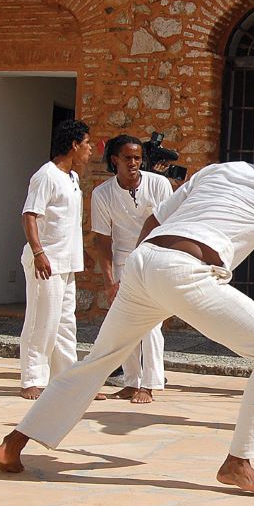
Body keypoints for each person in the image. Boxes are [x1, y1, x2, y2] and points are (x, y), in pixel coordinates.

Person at [0, 128, 254, 497]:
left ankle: (14, 443)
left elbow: (155, 220)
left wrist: (142, 269)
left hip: (145, 260)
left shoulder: (219, 170)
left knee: (97, 361)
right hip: (187, 271)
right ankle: (238, 462)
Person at [90, 135, 174, 404]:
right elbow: (102, 239)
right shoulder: (102, 193)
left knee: (150, 323)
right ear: (115, 161)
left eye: (138, 157)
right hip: (123, 261)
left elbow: (170, 223)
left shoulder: (159, 184)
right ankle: (130, 381)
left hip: (154, 257)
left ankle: (149, 384)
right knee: (123, 321)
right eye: (128, 158)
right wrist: (108, 280)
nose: (134, 163)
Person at [18, 119, 92, 400]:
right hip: (45, 262)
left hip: (67, 263)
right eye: (86, 144)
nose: (89, 150)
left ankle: (67, 381)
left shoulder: (72, 178)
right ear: (74, 144)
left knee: (64, 324)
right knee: (42, 321)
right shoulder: (46, 175)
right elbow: (30, 214)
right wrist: (38, 253)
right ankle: (32, 379)